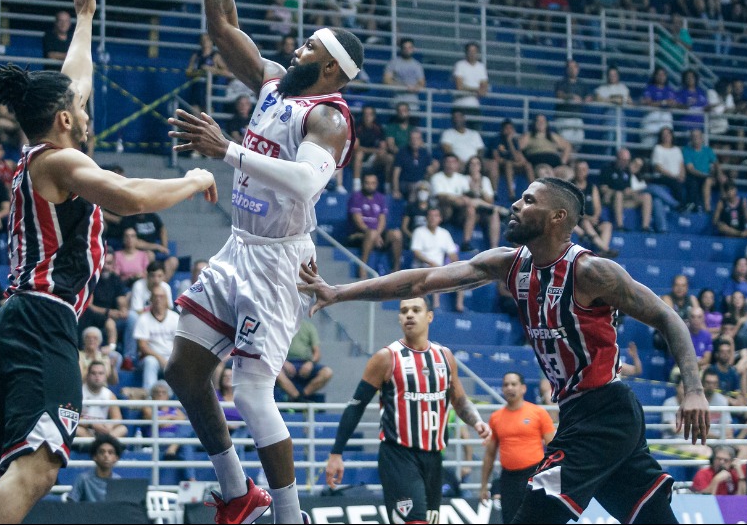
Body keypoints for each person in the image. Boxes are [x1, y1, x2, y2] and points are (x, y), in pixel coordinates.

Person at [0, 0, 217, 525]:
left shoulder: (42, 156)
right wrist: (194, 180)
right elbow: (127, 197)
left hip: (16, 321)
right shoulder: (60, 160)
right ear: (62, 119)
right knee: (39, 467)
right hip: (41, 320)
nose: (86, 110)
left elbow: (75, 75)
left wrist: (84, 18)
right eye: (79, 109)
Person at [299, 177, 711, 523]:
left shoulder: (591, 271)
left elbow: (668, 317)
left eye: (529, 200)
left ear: (557, 218)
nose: (514, 204)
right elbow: (422, 280)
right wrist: (338, 292)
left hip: (604, 410)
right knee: (651, 516)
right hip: (582, 412)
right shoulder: (510, 264)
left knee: (534, 514)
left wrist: (693, 388)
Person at [160, 0, 362, 525]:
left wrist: (227, 149)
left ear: (331, 69)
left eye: (310, 48)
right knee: (184, 370)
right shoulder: (276, 85)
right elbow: (222, 26)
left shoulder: (329, 118)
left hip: (280, 261)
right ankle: (237, 492)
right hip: (239, 247)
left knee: (249, 390)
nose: (297, 48)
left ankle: (289, 516)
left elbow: (304, 186)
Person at [324, 297, 489, 524]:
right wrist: (336, 453)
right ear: (400, 319)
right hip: (398, 456)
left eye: (415, 310)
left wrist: (476, 421)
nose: (409, 314)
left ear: (429, 316)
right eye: (404, 311)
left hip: (433, 457)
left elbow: (459, 400)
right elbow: (356, 405)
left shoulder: (445, 357)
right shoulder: (386, 357)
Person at [479, 372, 555, 524]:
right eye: (506, 384)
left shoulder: (538, 413)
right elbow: (490, 454)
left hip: (534, 476)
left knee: (537, 520)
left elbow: (553, 448)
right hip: (508, 479)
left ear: (523, 388)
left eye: (514, 384)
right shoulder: (496, 417)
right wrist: (483, 486)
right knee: (510, 520)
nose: (509, 388)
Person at [346, 173, 402, 278]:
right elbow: (358, 222)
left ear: (376, 184)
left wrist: (378, 234)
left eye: (372, 183)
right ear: (363, 184)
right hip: (358, 234)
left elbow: (382, 220)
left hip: (377, 233)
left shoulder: (380, 198)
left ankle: (396, 269)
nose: (370, 186)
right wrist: (374, 234)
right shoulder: (356, 197)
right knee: (371, 233)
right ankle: (362, 267)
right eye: (367, 183)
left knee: (396, 234)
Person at [276, 319, 332, 402]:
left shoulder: (308, 327)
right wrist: (283, 362)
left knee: (327, 372)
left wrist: (310, 363)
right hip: (283, 363)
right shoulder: (278, 326)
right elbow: (272, 350)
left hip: (304, 363)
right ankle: (297, 398)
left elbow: (317, 353)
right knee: (275, 372)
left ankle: (301, 396)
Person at [68, 434, 123, 502]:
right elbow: (71, 503)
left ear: (116, 458)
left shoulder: (118, 481)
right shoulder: (83, 479)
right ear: (95, 457)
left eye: (110, 452)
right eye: (101, 452)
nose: (106, 455)